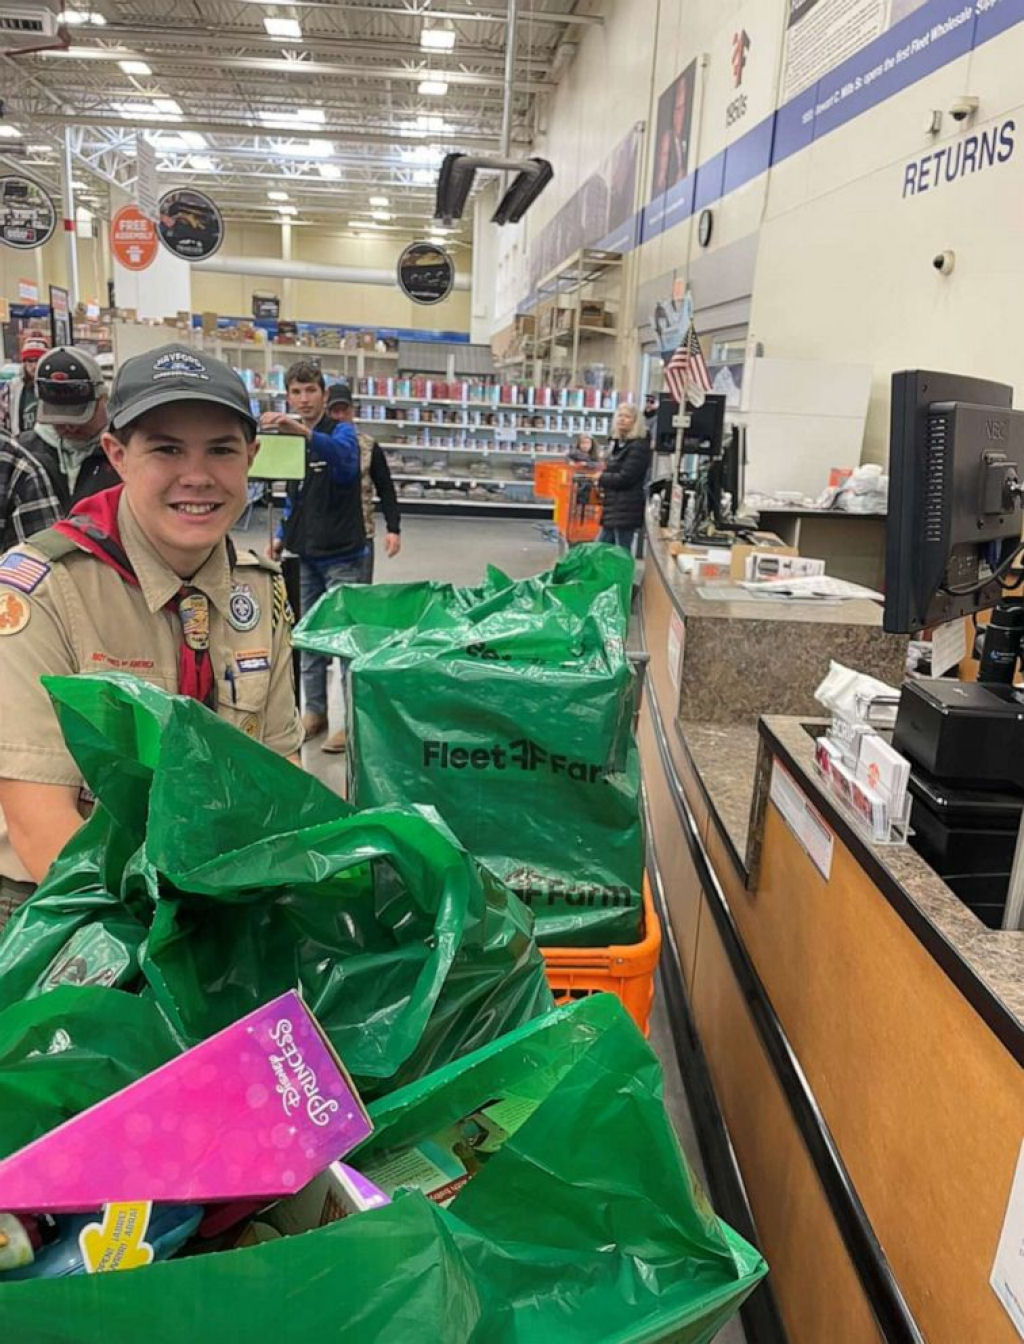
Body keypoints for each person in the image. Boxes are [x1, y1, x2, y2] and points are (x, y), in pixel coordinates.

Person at [0, 343, 303, 924]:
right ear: (116, 453)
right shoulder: (42, 592)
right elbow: (41, 827)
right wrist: (177, 944)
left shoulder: (258, 590)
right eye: (166, 449)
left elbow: (280, 776)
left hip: (217, 900)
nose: (197, 477)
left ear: (252, 457)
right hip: (64, 910)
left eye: (221, 450)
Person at [261, 359, 360, 753]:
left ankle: (351, 724)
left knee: (346, 641)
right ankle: (314, 713)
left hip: (343, 555)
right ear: (288, 395)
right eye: (296, 393)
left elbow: (345, 462)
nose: (303, 399)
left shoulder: (343, 432)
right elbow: (294, 495)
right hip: (305, 554)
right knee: (308, 639)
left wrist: (301, 432)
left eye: (310, 391)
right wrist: (283, 536)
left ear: (323, 393)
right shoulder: (290, 442)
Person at [0, 347, 120, 550]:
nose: (70, 426)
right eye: (59, 418)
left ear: (103, 399)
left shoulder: (125, 454)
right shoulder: (22, 456)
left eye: (80, 416)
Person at [325, 381, 402, 583]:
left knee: (359, 596)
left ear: (352, 410)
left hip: (361, 534)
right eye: (334, 411)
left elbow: (385, 488)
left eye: (344, 410)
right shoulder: (316, 444)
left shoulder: (368, 446)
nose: (340, 416)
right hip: (322, 535)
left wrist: (393, 529)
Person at [597, 403, 650, 554]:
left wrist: (601, 478)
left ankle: (622, 577)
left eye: (627, 417)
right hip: (614, 507)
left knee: (620, 551)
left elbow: (626, 477)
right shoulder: (619, 444)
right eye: (620, 416)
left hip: (626, 508)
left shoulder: (638, 446)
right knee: (601, 549)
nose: (622, 420)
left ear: (635, 422)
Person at [9, 333, 49, 434]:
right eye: (30, 361)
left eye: (38, 360)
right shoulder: (14, 386)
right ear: (24, 363)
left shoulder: (51, 385)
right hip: (22, 441)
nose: (34, 366)